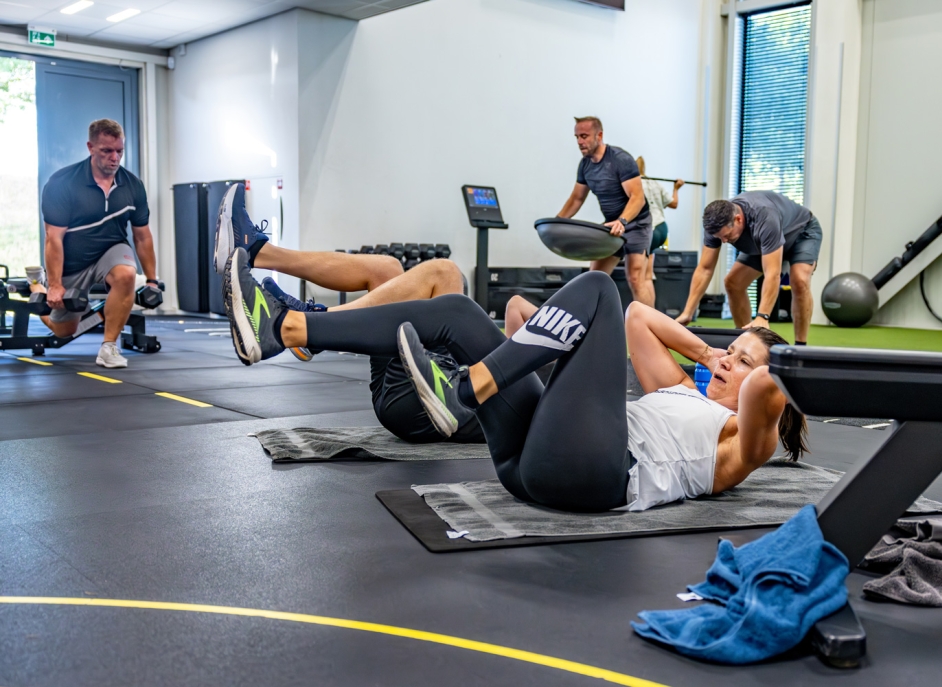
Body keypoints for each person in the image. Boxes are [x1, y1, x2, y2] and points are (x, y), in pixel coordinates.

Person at [223, 247, 808, 513]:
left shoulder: (741, 440)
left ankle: (468, 389)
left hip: (596, 478)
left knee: (599, 288)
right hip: (527, 464)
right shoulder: (678, 389)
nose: (727, 362)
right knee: (459, 313)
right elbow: (639, 318)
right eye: (731, 352)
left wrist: (771, 360)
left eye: (740, 362)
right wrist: (710, 349)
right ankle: (284, 328)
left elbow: (767, 388)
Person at [212, 182, 483, 444]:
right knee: (386, 270)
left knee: (444, 273)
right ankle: (257, 252)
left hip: (438, 401)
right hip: (422, 385)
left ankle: (301, 325)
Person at [32, 118, 157, 368]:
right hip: (73, 261)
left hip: (111, 249)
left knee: (126, 274)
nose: (115, 158)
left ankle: (109, 347)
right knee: (64, 331)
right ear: (90, 147)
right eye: (107, 151)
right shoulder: (62, 183)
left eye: (119, 151)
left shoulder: (133, 185)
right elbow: (53, 238)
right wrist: (55, 285)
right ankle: (37, 286)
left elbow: (142, 236)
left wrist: (152, 280)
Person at [676, 192, 823, 346]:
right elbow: (705, 269)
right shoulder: (715, 225)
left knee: (799, 280)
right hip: (762, 242)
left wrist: (762, 316)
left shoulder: (764, 216)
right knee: (733, 283)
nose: (724, 241)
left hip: (801, 232)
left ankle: (800, 347)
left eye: (727, 235)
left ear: (738, 219)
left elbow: (772, 273)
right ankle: (745, 342)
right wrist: (688, 312)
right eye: (720, 238)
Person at [557, 117, 654, 306]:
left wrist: (622, 221)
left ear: (599, 135)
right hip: (611, 225)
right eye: (577, 137)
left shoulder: (620, 160)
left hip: (636, 224)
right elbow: (576, 199)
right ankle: (590, 322)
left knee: (635, 278)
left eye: (584, 136)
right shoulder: (585, 165)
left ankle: (651, 323)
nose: (580, 141)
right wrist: (557, 222)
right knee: (594, 277)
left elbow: (637, 198)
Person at [636, 156, 685, 283]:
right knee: (648, 275)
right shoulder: (655, 183)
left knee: (638, 277)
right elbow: (674, 204)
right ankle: (649, 283)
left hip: (647, 230)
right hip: (661, 229)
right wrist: (676, 188)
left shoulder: (634, 184)